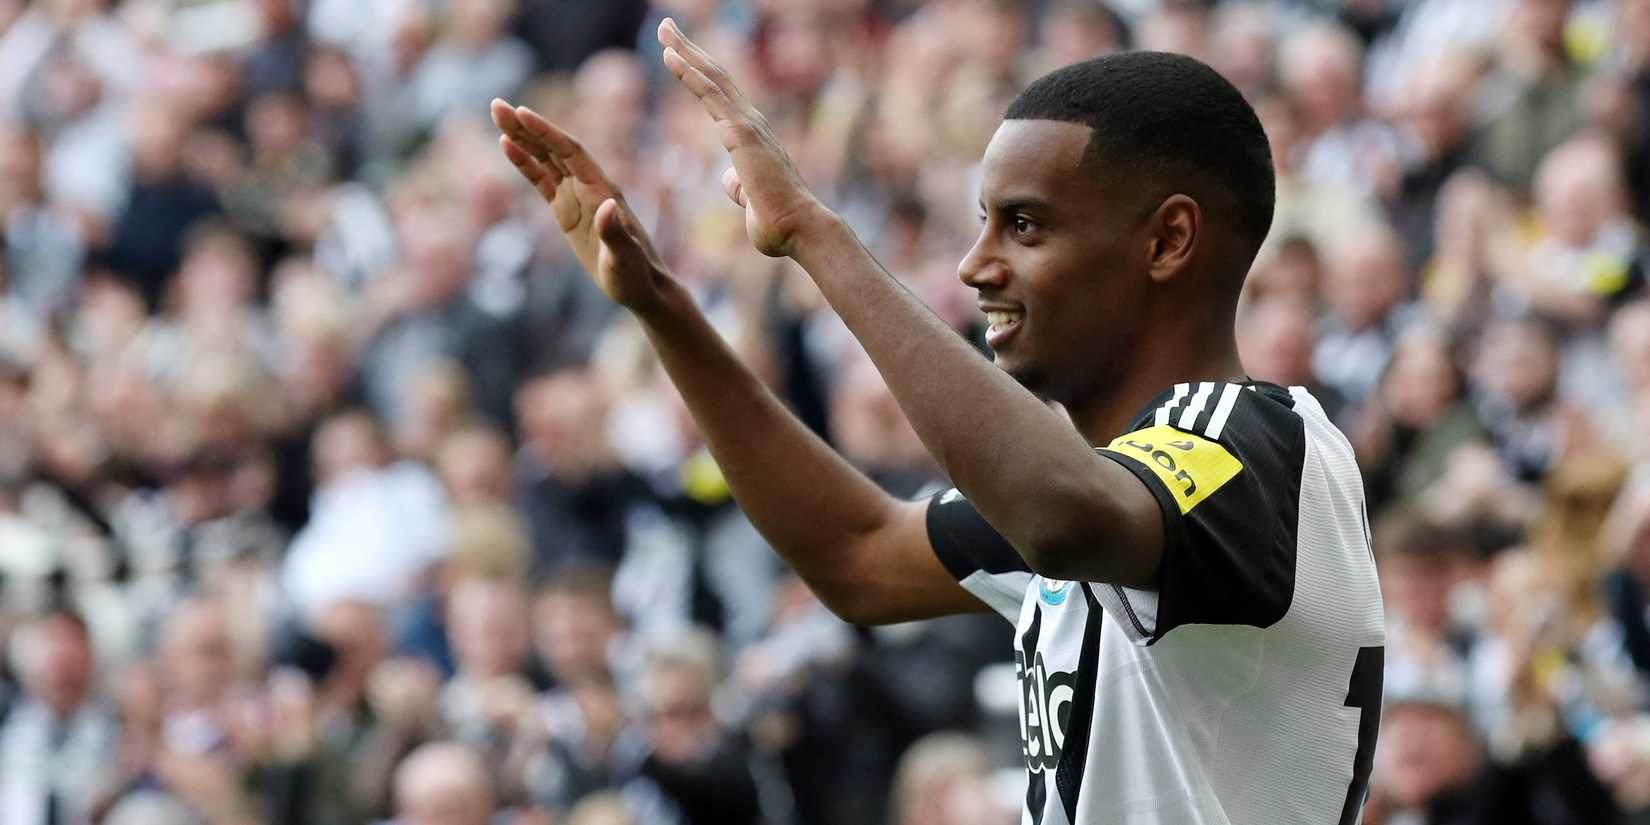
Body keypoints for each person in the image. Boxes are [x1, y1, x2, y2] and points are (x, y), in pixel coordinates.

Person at [490, 21, 1385, 825]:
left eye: (1024, 225)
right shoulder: (1104, 481)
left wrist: (814, 234)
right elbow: (857, 556)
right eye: (983, 221)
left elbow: (1062, 517)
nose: (974, 265)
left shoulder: (1254, 442)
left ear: (1167, 241)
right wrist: (664, 307)